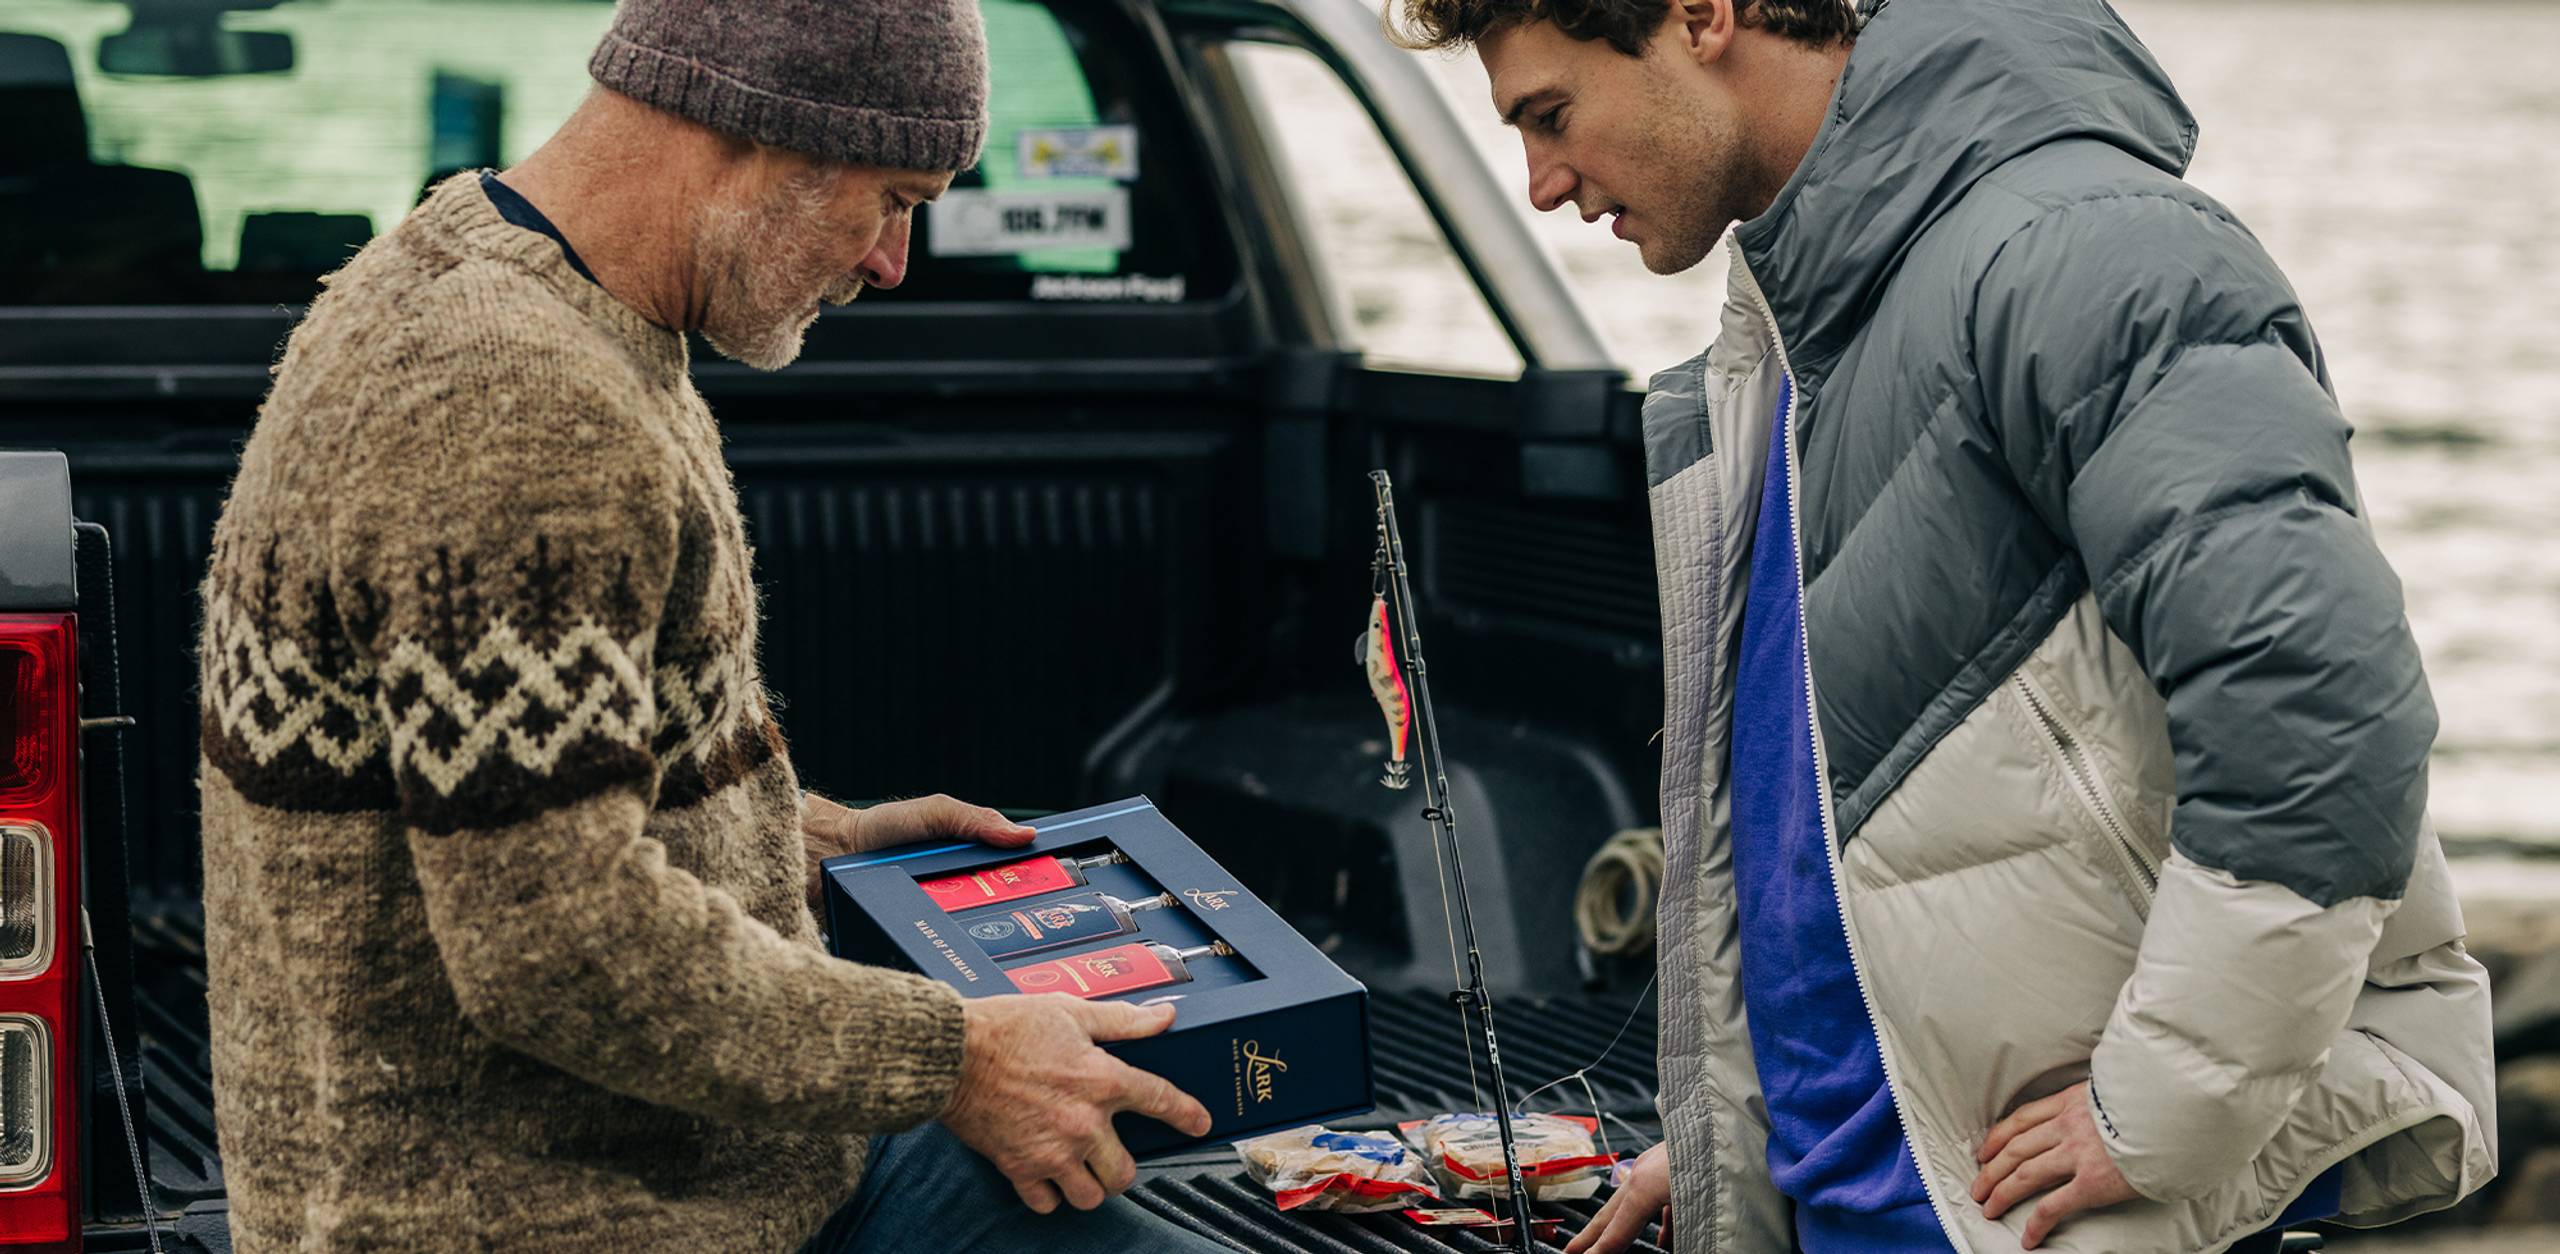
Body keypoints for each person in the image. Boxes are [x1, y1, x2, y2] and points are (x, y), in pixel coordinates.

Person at [1385, 1, 2499, 1251]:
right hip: (1860, 1199)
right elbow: (1824, 851)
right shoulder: (1796, 326)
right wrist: (1742, 1157)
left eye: (1550, 115)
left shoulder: (2086, 253)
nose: (1541, 183)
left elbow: (2316, 713)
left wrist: (2159, 1108)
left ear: (1699, 14)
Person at [193, 1, 1228, 1249]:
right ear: (755, 134)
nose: (894, 262)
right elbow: (556, 949)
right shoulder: (511, 403)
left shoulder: (493, 280)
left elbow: (477, 799)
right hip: (556, 1215)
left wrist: (810, 841)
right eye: (895, 198)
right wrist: (955, 1059)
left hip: (696, 1169)